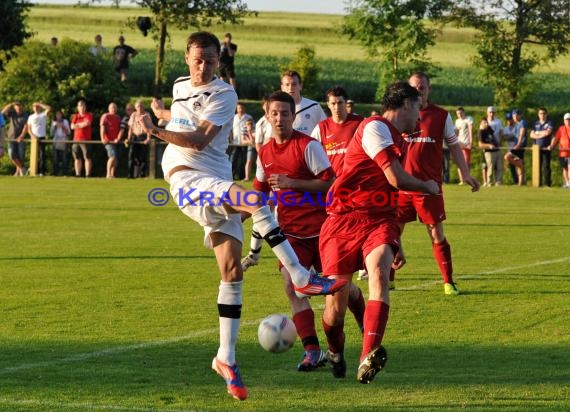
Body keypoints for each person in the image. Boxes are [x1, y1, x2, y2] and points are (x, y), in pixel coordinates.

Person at [135, 31, 347, 401]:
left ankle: (225, 358)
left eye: (211, 60)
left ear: (220, 61)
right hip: (185, 179)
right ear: (186, 57)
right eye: (198, 58)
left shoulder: (224, 93)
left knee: (231, 271)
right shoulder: (180, 84)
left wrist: (155, 128)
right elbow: (183, 118)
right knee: (255, 199)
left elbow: (200, 138)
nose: (204, 66)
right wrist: (157, 118)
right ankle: (301, 275)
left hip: (214, 177)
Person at [319, 81, 439, 383]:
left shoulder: (397, 136)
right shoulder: (375, 127)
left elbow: (389, 190)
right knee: (335, 310)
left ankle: (367, 356)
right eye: (418, 111)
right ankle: (335, 350)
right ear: (406, 104)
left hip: (377, 220)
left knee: (379, 274)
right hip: (343, 220)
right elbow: (395, 178)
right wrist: (426, 185)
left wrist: (395, 238)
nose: (420, 119)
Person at [254, 90, 336, 372]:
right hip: (290, 232)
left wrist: (292, 183)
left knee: (341, 294)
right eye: (274, 113)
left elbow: (330, 184)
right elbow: (260, 191)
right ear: (267, 116)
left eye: (285, 114)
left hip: (324, 230)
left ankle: (365, 325)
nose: (279, 119)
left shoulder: (308, 146)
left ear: (293, 116)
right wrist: (241, 211)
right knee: (292, 287)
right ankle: (312, 351)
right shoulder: (264, 151)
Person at [397, 72, 479, 296]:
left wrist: (466, 174)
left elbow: (454, 147)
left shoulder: (441, 116)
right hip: (401, 184)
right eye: (414, 87)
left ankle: (448, 281)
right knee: (391, 231)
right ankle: (389, 278)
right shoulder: (400, 114)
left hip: (429, 187)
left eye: (422, 87)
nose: (418, 90)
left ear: (429, 89)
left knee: (436, 232)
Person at [311, 85, 366, 333]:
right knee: (333, 261)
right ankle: (345, 288)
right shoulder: (321, 129)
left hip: (358, 199)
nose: (336, 107)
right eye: (332, 103)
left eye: (340, 102)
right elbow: (310, 157)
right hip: (330, 201)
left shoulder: (359, 125)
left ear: (347, 103)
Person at [280, 70, 327, 135]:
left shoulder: (314, 106)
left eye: (294, 84)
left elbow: (325, 130)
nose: (290, 88)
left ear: (300, 86)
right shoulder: (277, 109)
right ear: (282, 87)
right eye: (287, 85)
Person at [2, 101, 29, 176]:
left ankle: (18, 172)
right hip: (11, 137)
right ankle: (22, 168)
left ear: (22, 106)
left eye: (19, 105)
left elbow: (26, 126)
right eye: (16, 105)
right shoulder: (12, 113)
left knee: (20, 156)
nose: (18, 107)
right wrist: (10, 104)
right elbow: (2, 113)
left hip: (21, 138)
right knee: (11, 155)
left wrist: (21, 136)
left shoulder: (25, 114)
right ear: (14, 107)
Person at [530, 107, 553, 187]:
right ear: (538, 114)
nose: (542, 115)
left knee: (546, 166)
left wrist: (537, 133)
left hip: (546, 147)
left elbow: (548, 132)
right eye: (540, 113)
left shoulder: (549, 122)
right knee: (537, 166)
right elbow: (531, 135)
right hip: (537, 148)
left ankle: (547, 184)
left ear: (546, 114)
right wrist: (540, 134)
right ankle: (538, 184)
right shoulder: (535, 123)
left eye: (544, 113)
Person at [26, 102, 52, 176]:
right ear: (33, 108)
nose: (36, 108)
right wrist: (32, 135)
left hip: (42, 137)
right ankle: (34, 171)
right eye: (35, 107)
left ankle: (41, 172)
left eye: (37, 107)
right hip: (34, 138)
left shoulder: (43, 114)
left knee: (42, 155)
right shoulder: (30, 117)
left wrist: (39, 104)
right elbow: (28, 129)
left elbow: (49, 108)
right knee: (34, 155)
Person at [229, 102, 253, 180]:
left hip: (245, 142)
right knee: (233, 159)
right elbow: (230, 129)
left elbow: (252, 129)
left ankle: (242, 176)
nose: (240, 110)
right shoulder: (233, 117)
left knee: (243, 161)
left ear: (244, 108)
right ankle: (231, 175)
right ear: (236, 109)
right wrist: (230, 138)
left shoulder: (249, 117)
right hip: (235, 142)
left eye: (242, 108)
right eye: (239, 108)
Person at [127, 100, 150, 178]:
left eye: (141, 106)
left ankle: (142, 175)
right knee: (132, 156)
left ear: (143, 107)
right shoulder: (133, 115)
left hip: (143, 136)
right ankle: (130, 175)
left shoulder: (147, 115)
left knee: (143, 156)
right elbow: (130, 128)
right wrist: (128, 138)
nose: (139, 108)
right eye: (138, 106)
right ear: (135, 108)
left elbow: (150, 128)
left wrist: (148, 138)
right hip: (135, 137)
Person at [70, 99, 93, 178]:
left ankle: (87, 174)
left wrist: (77, 125)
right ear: (77, 107)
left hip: (85, 139)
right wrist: (81, 124)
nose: (82, 108)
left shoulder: (88, 115)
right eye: (80, 106)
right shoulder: (75, 116)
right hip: (76, 139)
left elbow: (87, 123)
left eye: (83, 106)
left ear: (85, 107)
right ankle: (78, 174)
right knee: (76, 157)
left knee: (87, 157)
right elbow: (72, 126)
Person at [505, 108, 528, 186]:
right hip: (517, 146)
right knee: (519, 165)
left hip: (519, 146)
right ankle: (520, 184)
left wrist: (518, 144)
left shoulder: (522, 122)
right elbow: (514, 135)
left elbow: (521, 134)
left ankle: (521, 164)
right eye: (513, 115)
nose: (514, 117)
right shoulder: (516, 124)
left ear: (520, 115)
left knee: (507, 157)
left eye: (516, 115)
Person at [100, 102, 122, 178]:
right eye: (112, 108)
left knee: (115, 158)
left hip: (116, 141)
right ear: (109, 109)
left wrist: (118, 138)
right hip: (108, 141)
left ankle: (112, 174)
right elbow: (102, 128)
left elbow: (121, 129)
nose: (113, 109)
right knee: (112, 156)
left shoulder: (118, 117)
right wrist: (103, 138)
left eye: (115, 107)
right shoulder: (105, 116)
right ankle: (108, 174)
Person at [478, 117, 502, 186]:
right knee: (490, 167)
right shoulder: (481, 132)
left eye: (487, 122)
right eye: (484, 123)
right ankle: (489, 182)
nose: (486, 124)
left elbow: (493, 136)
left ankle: (498, 182)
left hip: (496, 150)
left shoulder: (489, 128)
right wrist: (489, 145)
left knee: (499, 167)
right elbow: (480, 144)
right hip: (488, 152)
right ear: (481, 124)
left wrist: (497, 143)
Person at [549, 113, 570, 188]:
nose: (568, 121)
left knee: (569, 166)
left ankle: (569, 182)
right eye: (567, 120)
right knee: (565, 168)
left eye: (569, 119)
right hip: (563, 153)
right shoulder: (561, 129)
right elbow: (555, 138)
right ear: (564, 120)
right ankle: (567, 183)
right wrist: (551, 145)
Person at [454, 107, 473, 185]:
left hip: (466, 143)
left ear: (464, 112)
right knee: (459, 162)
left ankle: (467, 179)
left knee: (465, 163)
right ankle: (462, 180)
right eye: (458, 113)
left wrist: (471, 142)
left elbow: (470, 130)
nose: (460, 115)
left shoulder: (468, 119)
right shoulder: (457, 121)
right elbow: (456, 133)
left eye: (461, 113)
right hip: (459, 143)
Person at [50, 110, 70, 176]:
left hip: (64, 140)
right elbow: (51, 133)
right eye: (57, 115)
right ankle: (55, 173)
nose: (58, 116)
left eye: (60, 114)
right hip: (56, 141)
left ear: (62, 115)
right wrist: (55, 126)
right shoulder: (53, 122)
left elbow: (68, 133)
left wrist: (62, 126)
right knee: (55, 158)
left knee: (64, 158)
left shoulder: (65, 121)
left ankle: (65, 173)